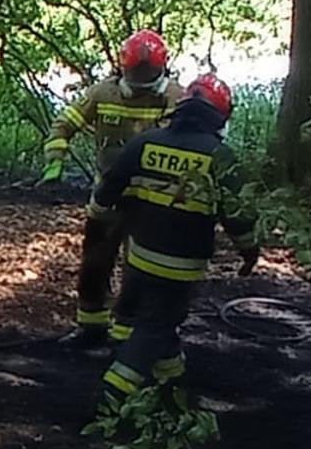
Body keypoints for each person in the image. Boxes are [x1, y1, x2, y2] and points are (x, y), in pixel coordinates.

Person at [88, 73, 258, 406]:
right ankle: (109, 399)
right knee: (156, 326)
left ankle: (171, 384)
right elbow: (238, 216)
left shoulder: (145, 142)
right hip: (180, 269)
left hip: (138, 258)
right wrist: (250, 252)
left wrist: (98, 220)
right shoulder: (219, 157)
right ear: (220, 116)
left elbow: (107, 190)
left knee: (144, 319)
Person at [44, 30, 187, 347]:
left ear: (162, 67)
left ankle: (129, 334)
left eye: (147, 74)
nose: (140, 81)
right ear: (123, 66)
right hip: (108, 197)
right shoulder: (101, 94)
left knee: (141, 268)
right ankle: (90, 328)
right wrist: (56, 157)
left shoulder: (178, 98)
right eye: (136, 73)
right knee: (95, 262)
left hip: (153, 203)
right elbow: (64, 124)